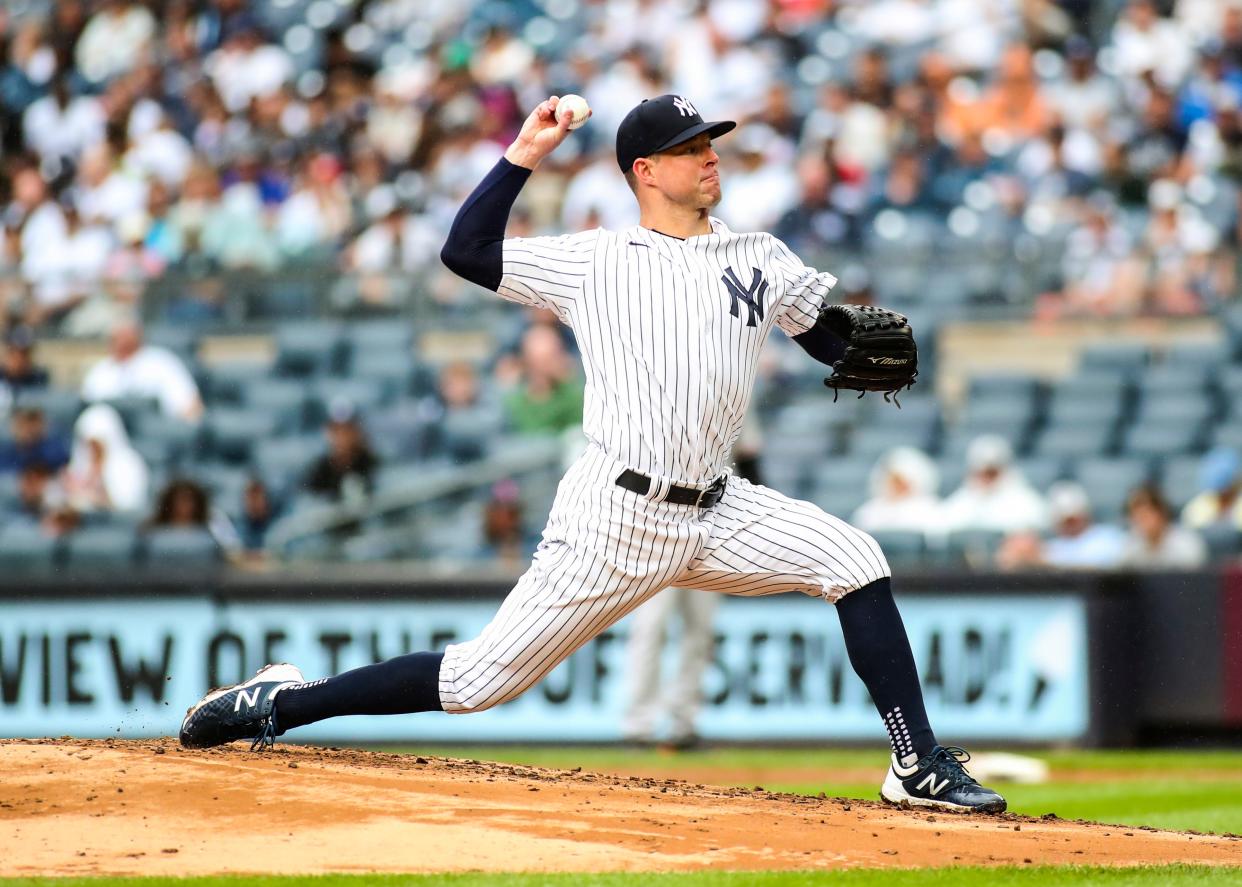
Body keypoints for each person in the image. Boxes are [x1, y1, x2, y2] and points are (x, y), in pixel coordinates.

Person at [179, 94, 1006, 814]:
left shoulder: (758, 255)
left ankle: (916, 762)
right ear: (645, 170)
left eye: (710, 142)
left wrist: (859, 348)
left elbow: (829, 340)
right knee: (476, 683)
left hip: (721, 506)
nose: (709, 156)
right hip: (616, 514)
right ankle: (280, 702)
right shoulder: (595, 260)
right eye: (690, 149)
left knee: (852, 555)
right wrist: (526, 152)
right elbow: (465, 252)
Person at [80, 316, 204, 423]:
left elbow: (191, 406)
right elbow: (87, 411)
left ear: (138, 335)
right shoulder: (100, 371)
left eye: (125, 334)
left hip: (156, 438)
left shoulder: (161, 362)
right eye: (116, 336)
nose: (120, 341)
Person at [941, 435, 1048, 534]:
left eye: (992, 473)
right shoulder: (962, 499)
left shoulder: (1026, 501)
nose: (986, 479)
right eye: (981, 473)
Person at [60, 403, 149, 514]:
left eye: (96, 444)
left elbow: (127, 507)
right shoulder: (81, 464)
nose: (91, 449)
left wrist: (97, 497)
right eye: (88, 444)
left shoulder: (128, 464)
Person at [303, 401, 379, 503]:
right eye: (337, 430)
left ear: (357, 431)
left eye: (347, 429)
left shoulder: (372, 462)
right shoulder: (321, 470)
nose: (342, 437)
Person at [1121, 484, 1208, 569]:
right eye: (1136, 517)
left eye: (1145, 516)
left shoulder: (1187, 543)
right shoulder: (1129, 546)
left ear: (1162, 513)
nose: (1141, 522)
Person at [0, 405, 70, 474]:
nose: (27, 430)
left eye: (31, 426)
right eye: (22, 425)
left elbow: (63, 468)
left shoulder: (53, 450)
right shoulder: (6, 452)